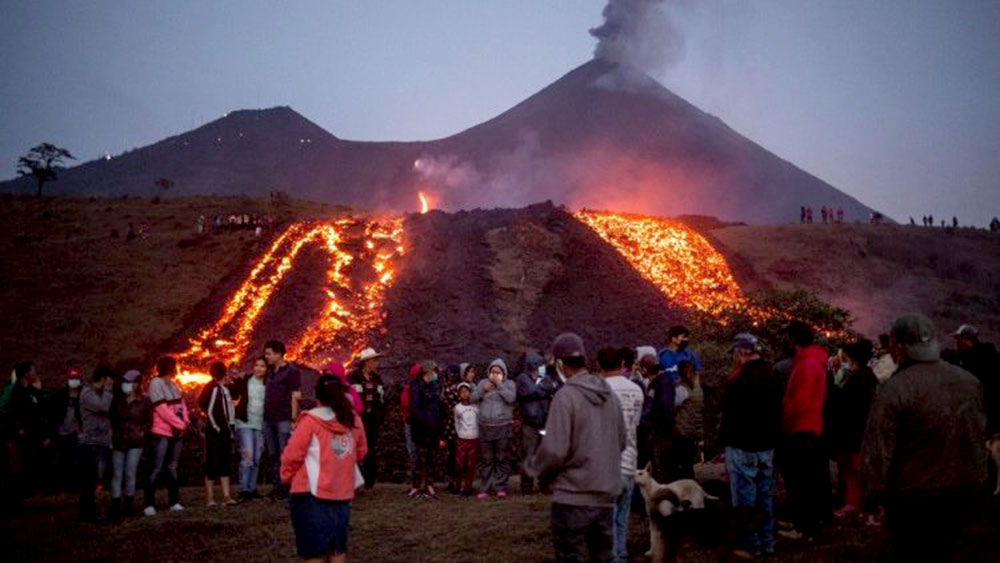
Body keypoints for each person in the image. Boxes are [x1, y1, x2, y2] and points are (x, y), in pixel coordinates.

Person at [861, 314, 989, 562]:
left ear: (898, 347)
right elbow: (978, 433)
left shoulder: (896, 388)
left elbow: (878, 450)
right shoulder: (969, 381)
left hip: (915, 496)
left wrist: (872, 497)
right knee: (944, 550)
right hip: (963, 491)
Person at [525, 333, 625, 562]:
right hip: (605, 496)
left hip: (572, 498)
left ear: (560, 363)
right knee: (603, 557)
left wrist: (535, 467)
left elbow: (554, 450)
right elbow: (622, 441)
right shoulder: (610, 396)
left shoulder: (565, 396)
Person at [281, 375, 367, 563]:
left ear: (317, 396)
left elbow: (292, 455)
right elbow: (361, 451)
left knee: (314, 553)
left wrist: (286, 477)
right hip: (342, 491)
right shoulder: (353, 419)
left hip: (310, 494)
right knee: (337, 549)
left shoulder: (310, 421)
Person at [719, 333, 783, 558]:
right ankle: (767, 542)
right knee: (765, 496)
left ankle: (750, 543)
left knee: (744, 499)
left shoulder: (738, 379)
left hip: (742, 445)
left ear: (741, 353)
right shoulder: (773, 375)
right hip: (767, 445)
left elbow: (728, 412)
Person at [777, 321, 830, 541]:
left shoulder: (806, 363)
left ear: (792, 339)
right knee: (807, 479)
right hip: (811, 425)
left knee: (800, 481)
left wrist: (785, 422)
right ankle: (806, 524)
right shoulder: (813, 360)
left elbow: (799, 401)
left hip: (801, 427)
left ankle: (804, 528)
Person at [599, 347, 644, 563]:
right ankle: (621, 554)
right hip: (629, 460)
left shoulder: (599, 391)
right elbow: (636, 424)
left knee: (606, 519)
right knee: (622, 517)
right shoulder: (637, 390)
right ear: (623, 364)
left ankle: (612, 557)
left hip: (606, 464)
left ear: (599, 366)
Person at [825, 340, 877, 519]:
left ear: (854, 360)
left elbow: (844, 404)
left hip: (854, 432)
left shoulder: (859, 381)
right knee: (851, 469)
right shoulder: (863, 377)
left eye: (845, 359)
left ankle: (857, 503)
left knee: (854, 469)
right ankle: (854, 502)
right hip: (855, 431)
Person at [143, 356, 190, 516]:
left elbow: (182, 405)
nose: (176, 369)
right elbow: (161, 409)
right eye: (173, 366)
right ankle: (149, 504)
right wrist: (180, 424)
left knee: (172, 467)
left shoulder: (174, 385)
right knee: (156, 468)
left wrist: (185, 422)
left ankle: (174, 502)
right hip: (161, 432)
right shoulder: (156, 383)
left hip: (176, 433)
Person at [472, 358, 516, 499]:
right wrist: (482, 390)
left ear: (503, 373)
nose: (495, 374)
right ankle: (484, 488)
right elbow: (472, 398)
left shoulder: (509, 384)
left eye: (498, 372)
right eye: (493, 371)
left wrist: (500, 385)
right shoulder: (482, 383)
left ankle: (500, 488)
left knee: (501, 458)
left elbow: (511, 398)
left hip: (503, 426)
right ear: (489, 372)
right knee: (486, 459)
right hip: (485, 426)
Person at [109, 369, 149, 522]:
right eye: (125, 381)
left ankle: (127, 507)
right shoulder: (117, 400)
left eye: (130, 382)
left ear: (137, 384)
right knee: (117, 474)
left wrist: (141, 432)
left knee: (130, 473)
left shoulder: (144, 401)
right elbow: (112, 418)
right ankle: (115, 507)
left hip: (135, 442)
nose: (126, 384)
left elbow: (148, 421)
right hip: (118, 441)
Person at [263, 340, 301, 499]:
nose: (266, 357)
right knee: (273, 454)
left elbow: (295, 395)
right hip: (268, 419)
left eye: (269, 354)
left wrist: (293, 418)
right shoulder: (270, 372)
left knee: (285, 454)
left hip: (283, 419)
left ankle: (287, 487)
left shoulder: (291, 371)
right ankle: (277, 487)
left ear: (279, 354)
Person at [516, 350, 557, 494]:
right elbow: (529, 391)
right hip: (529, 423)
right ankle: (526, 486)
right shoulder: (522, 378)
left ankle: (544, 484)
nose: (542, 367)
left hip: (544, 421)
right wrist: (543, 391)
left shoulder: (546, 378)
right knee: (528, 454)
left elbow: (553, 388)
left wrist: (539, 389)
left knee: (545, 453)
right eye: (540, 365)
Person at [79, 366, 115, 521]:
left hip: (103, 442)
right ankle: (87, 512)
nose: (112, 382)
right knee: (91, 479)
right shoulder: (87, 393)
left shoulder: (102, 393)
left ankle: (97, 510)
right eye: (109, 379)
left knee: (99, 479)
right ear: (103, 378)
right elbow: (103, 407)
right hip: (91, 442)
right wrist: (107, 391)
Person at [229, 357, 268, 500]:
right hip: (245, 422)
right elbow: (234, 392)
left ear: (267, 369)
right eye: (256, 365)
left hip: (260, 424)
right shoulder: (246, 380)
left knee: (257, 458)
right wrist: (235, 378)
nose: (258, 368)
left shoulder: (268, 384)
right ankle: (244, 490)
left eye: (262, 366)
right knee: (248, 456)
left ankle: (252, 489)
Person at [199, 361, 236, 507]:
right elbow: (207, 408)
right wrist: (217, 427)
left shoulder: (224, 388)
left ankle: (226, 496)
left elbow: (230, 408)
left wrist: (230, 428)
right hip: (216, 431)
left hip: (225, 430)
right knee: (212, 462)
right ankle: (210, 498)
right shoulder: (213, 388)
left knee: (225, 462)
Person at [949, 324, 999, 433]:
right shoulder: (986, 353)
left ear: (966, 339)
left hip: (984, 406)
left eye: (959, 339)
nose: (957, 343)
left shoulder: (975, 357)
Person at [7, 361, 45, 500]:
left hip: (34, 434)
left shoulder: (31, 390)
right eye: (33, 370)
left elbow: (41, 406)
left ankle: (32, 490)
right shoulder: (17, 391)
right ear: (26, 374)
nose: (35, 373)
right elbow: (11, 413)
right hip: (24, 435)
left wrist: (39, 391)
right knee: (24, 462)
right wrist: (19, 428)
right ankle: (22, 492)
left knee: (34, 462)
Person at [348, 348, 386, 489]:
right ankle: (354, 480)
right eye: (374, 360)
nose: (377, 363)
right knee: (355, 447)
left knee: (371, 448)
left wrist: (379, 415)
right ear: (366, 362)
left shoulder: (377, 379)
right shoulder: (354, 377)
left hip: (372, 419)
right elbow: (353, 398)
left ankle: (369, 480)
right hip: (358, 419)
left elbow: (381, 398)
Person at [408, 361, 442, 498]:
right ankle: (416, 486)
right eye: (433, 371)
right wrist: (425, 421)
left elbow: (437, 405)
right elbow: (415, 408)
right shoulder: (416, 386)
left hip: (433, 427)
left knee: (431, 458)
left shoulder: (435, 385)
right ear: (427, 371)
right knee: (418, 458)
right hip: (420, 428)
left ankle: (429, 484)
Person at [51, 367, 84, 493]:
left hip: (76, 432)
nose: (74, 381)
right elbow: (54, 414)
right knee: (61, 460)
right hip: (61, 431)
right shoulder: (60, 395)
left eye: (76, 378)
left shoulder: (83, 395)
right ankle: (60, 486)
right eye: (72, 378)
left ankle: (73, 487)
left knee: (75, 460)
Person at [671, 360, 704, 479]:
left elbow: (672, 406)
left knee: (680, 465)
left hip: (682, 430)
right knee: (688, 464)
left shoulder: (681, 390)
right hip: (693, 431)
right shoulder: (698, 389)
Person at [454, 382, 479, 496]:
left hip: (474, 438)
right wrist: (460, 434)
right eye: (462, 392)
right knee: (460, 464)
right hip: (462, 439)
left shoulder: (476, 406)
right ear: (459, 395)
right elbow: (457, 422)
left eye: (466, 391)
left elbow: (479, 420)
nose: (464, 394)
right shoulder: (457, 408)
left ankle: (468, 487)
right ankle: (459, 485)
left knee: (470, 464)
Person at [400, 362, 422, 475]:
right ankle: (416, 472)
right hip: (411, 420)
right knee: (413, 447)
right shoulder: (409, 388)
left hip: (416, 421)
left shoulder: (413, 387)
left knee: (414, 447)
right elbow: (405, 404)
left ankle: (417, 472)